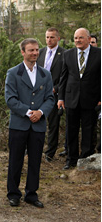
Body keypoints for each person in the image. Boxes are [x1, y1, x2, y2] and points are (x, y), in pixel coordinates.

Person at [5, 38, 54, 208]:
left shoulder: (45, 74)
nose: (34, 53)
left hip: (38, 124)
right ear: (23, 52)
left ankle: (31, 194)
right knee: (15, 160)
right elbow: (10, 99)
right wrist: (28, 112)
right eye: (31, 50)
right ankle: (13, 194)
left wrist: (40, 112)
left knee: (35, 161)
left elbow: (50, 98)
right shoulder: (13, 73)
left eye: (36, 50)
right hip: (19, 124)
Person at [58, 28, 101, 169]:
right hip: (71, 99)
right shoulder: (68, 54)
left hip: (91, 99)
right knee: (71, 130)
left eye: (81, 38)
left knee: (89, 130)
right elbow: (63, 78)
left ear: (89, 39)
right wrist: (61, 97)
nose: (77, 40)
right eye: (76, 38)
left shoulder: (99, 54)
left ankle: (86, 159)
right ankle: (71, 159)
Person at [36, 27, 65, 162]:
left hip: (54, 95)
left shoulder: (64, 54)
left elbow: (66, 76)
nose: (49, 39)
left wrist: (56, 88)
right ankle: (35, 149)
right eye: (47, 37)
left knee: (53, 124)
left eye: (52, 37)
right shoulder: (39, 53)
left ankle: (49, 153)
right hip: (38, 94)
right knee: (36, 121)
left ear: (58, 38)